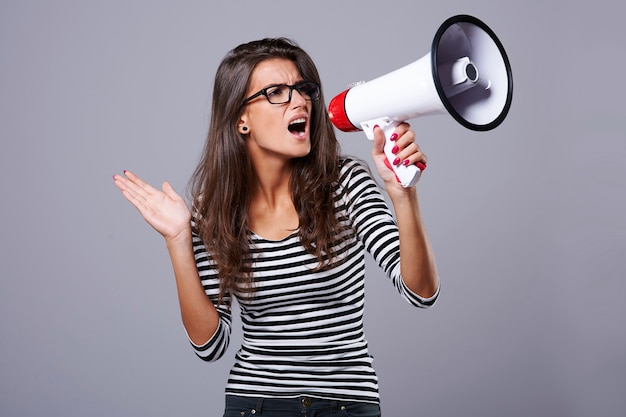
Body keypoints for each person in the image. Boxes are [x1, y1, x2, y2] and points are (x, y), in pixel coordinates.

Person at [113, 37, 439, 417]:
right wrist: (178, 240)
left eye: (304, 89)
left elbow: (421, 292)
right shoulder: (215, 210)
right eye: (276, 92)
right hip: (255, 406)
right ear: (241, 119)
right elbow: (210, 345)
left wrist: (403, 195)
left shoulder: (345, 184)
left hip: (346, 406)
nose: (299, 101)